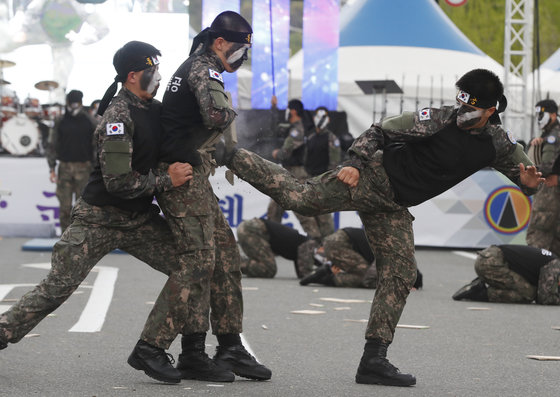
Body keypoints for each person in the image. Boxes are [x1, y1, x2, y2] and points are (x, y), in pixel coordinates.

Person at [220, 68, 544, 386]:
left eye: (471, 109)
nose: (462, 113)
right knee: (299, 198)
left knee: (402, 273)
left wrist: (527, 183)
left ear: (490, 110)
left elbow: (526, 175)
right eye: (460, 104)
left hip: (393, 205)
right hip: (371, 177)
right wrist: (354, 163)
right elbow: (380, 130)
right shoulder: (438, 118)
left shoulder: (498, 143)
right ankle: (232, 155)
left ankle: (373, 360)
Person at [0, 41, 196, 385]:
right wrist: (169, 180)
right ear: (133, 75)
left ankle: (159, 348)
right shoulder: (118, 116)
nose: (158, 77)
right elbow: (119, 183)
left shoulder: (154, 108)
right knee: (56, 289)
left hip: (136, 221)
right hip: (99, 219)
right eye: (152, 71)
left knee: (193, 266)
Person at [158, 11, 271, 382]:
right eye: (238, 49)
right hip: (183, 178)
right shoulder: (204, 68)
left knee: (224, 256)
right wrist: (230, 120)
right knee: (203, 263)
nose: (241, 57)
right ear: (219, 43)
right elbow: (216, 113)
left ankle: (229, 345)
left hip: (193, 176)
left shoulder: (203, 65)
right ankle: (191, 350)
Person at [268, 99, 334, 239]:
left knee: (301, 210)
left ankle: (315, 239)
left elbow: (285, 152)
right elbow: (276, 127)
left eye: (287, 108)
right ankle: (273, 238)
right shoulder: (296, 127)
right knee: (274, 209)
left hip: (296, 173)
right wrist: (273, 108)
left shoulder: (298, 130)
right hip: (289, 172)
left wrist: (277, 153)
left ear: (293, 111)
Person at [46, 89, 97, 232]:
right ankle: (65, 239)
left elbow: (96, 145)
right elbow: (52, 145)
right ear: (67, 102)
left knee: (84, 208)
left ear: (81, 102)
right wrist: (51, 168)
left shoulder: (90, 120)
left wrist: (96, 168)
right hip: (65, 168)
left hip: (85, 167)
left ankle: (82, 239)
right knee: (65, 206)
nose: (75, 105)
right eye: (72, 102)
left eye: (77, 102)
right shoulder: (60, 121)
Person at [452, 244, 560, 305]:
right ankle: (480, 292)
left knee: (525, 289)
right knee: (527, 294)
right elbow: (545, 298)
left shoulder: (551, 261)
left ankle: (481, 286)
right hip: (491, 262)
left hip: (488, 258)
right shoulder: (554, 265)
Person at [526, 99, 560, 256]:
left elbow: (546, 168)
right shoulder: (549, 134)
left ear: (553, 115)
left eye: (542, 114)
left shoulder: (553, 135)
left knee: (538, 237)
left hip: (550, 191)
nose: (539, 118)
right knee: (554, 242)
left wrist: (531, 168)